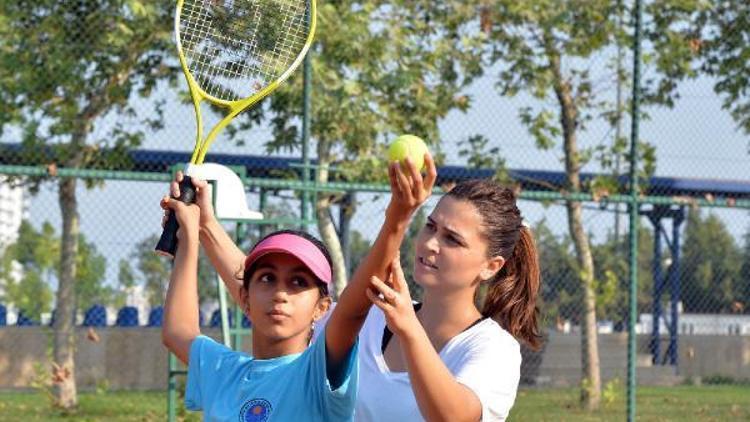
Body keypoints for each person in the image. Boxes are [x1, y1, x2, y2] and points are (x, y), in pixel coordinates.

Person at [170, 152, 541, 421]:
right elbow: (273, 300)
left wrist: (409, 331)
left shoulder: (492, 349)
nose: (430, 243)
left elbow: (453, 418)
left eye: (452, 239)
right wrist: (205, 226)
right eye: (430, 226)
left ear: (492, 266)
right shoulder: (375, 320)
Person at [160, 189, 360, 421]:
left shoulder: (317, 374)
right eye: (267, 278)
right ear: (245, 297)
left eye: (298, 282)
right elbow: (177, 332)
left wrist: (395, 219)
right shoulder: (225, 371)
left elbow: (354, 311)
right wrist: (188, 236)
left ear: (322, 307)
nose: (280, 293)